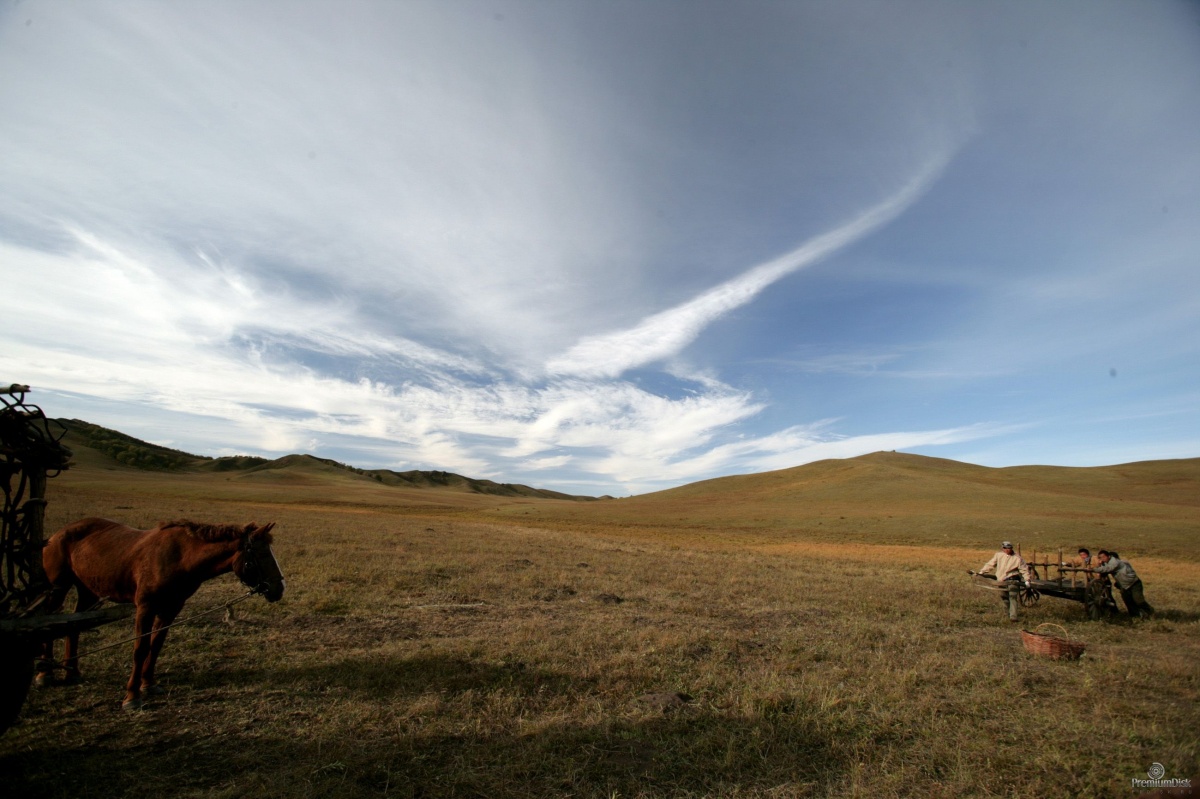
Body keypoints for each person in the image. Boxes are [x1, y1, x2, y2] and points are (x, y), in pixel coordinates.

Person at [974, 541, 1033, 622]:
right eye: (1005, 548)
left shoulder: (1018, 558)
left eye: (1009, 548)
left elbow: (1024, 570)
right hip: (1001, 580)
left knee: (1012, 597)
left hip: (1013, 580)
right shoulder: (998, 555)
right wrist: (982, 572)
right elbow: (991, 564)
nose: (1007, 550)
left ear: (1011, 548)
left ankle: (1013, 617)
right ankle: (1008, 613)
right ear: (1002, 549)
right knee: (1004, 597)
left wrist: (1027, 580)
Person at [1094, 550, 1154, 618]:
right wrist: (1099, 565)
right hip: (1123, 586)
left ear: (1108, 556)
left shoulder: (1116, 562)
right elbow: (1104, 572)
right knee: (1129, 602)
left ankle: (1150, 611)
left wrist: (1094, 569)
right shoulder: (1106, 564)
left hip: (1133, 583)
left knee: (1139, 600)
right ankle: (1136, 617)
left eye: (1103, 557)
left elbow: (1109, 568)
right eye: (1100, 558)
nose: (1102, 559)